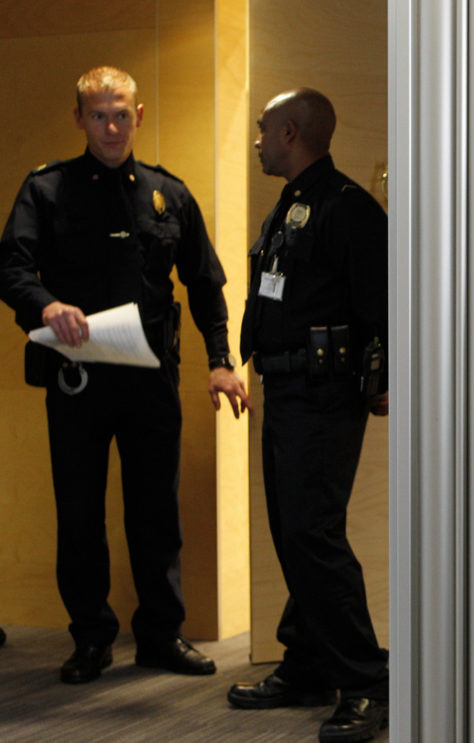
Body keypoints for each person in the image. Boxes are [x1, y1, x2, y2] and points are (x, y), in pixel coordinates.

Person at [0, 66, 249, 684]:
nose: (110, 126)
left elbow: (205, 284)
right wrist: (45, 305)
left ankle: (161, 635)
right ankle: (90, 638)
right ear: (79, 118)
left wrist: (220, 361)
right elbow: (11, 269)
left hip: (149, 377)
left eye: (121, 114)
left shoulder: (170, 194)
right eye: (97, 114)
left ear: (138, 116)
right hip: (76, 377)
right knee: (79, 512)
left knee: (155, 513)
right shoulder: (47, 190)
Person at [227, 88, 389, 743]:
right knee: (295, 533)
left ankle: (367, 680)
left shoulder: (346, 207)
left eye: (264, 130)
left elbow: (379, 301)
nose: (258, 140)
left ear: (291, 131)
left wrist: (381, 377)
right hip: (287, 389)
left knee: (312, 535)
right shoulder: (293, 202)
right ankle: (306, 662)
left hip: (323, 396)